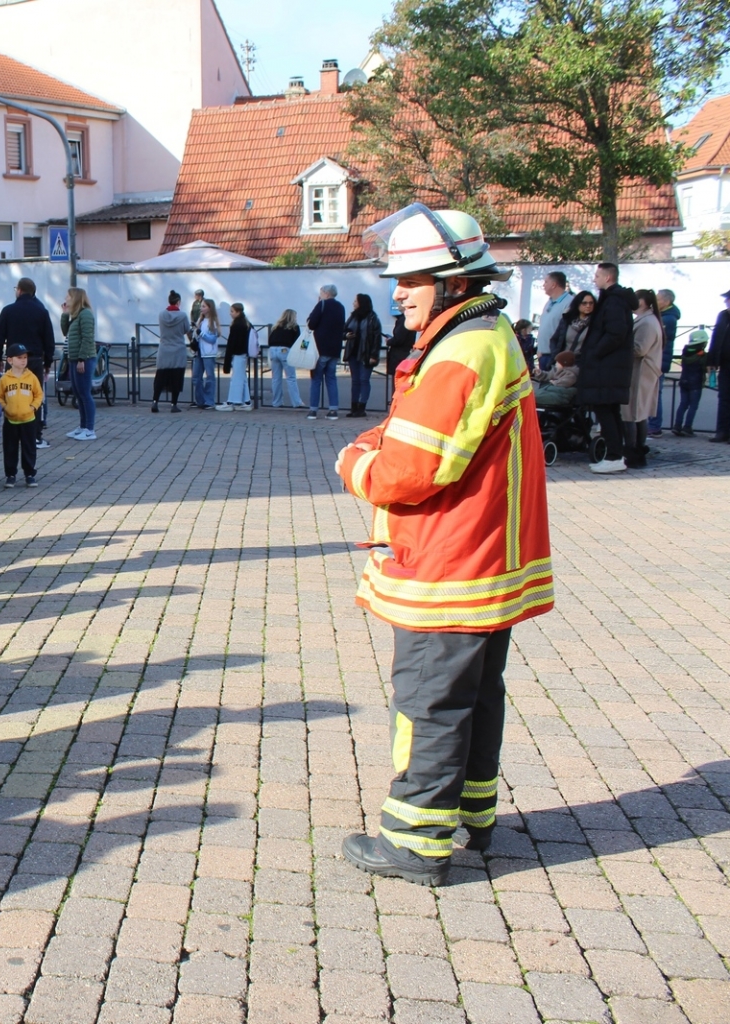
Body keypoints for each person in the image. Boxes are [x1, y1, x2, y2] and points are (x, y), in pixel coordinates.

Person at [335, 204, 551, 886]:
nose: (398, 290)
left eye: (415, 278)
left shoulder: (460, 348)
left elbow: (405, 470)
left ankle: (415, 841)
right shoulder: (483, 333)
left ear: (455, 282)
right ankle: (471, 816)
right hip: (482, 560)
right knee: (474, 695)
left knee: (427, 701)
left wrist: (352, 462)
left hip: (446, 564)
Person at [576, 263, 636, 474]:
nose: (595, 279)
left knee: (606, 411)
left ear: (608, 277)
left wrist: (595, 352)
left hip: (607, 368)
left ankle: (614, 455)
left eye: (598, 275)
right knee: (610, 411)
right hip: (609, 368)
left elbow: (615, 333)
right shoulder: (612, 300)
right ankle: (616, 454)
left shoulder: (614, 302)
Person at [0, 278, 54, 445]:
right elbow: (49, 340)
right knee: (35, 395)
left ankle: (13, 433)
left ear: (19, 290)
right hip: (34, 359)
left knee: (11, 394)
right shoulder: (42, 311)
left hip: (13, 359)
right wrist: (48, 363)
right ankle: (34, 435)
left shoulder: (8, 310)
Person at [621, 288, 662, 469]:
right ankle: (636, 449)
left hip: (640, 372)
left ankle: (633, 452)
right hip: (643, 372)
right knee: (638, 414)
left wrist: (620, 346)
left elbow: (640, 349)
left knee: (632, 414)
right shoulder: (648, 320)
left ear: (643, 302)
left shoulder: (647, 322)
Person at [0, 343, 44, 487]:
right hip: (11, 420)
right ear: (10, 360)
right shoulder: (5, 379)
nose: (23, 360)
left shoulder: (31, 377)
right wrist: (5, 407)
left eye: (25, 357)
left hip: (29, 419)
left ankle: (29, 474)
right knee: (10, 448)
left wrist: (33, 406)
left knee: (29, 447)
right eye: (19, 357)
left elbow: (39, 394)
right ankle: (10, 475)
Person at [306, 284, 346, 419]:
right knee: (331, 378)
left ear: (326, 294)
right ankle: (333, 410)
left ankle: (313, 410)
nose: (320, 295)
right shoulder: (340, 307)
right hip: (335, 348)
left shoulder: (322, 305)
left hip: (320, 348)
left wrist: (317, 306)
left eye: (321, 292)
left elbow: (311, 323)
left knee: (316, 379)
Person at [62, 287, 98, 438]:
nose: (66, 299)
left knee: (84, 393)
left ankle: (89, 429)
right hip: (73, 358)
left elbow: (87, 338)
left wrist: (82, 359)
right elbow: (66, 332)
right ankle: (83, 426)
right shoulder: (75, 316)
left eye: (68, 296)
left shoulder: (86, 314)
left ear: (75, 298)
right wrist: (64, 315)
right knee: (78, 392)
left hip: (83, 359)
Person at [343, 293, 382, 418]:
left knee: (364, 380)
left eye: (355, 301)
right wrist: (346, 335)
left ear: (362, 302)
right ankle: (354, 407)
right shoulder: (352, 317)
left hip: (366, 354)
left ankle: (361, 407)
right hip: (353, 353)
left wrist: (374, 355)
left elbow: (377, 338)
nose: (353, 303)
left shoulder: (372, 318)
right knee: (355, 381)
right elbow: (344, 330)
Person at [152, 290, 190, 412]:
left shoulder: (161, 315)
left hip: (164, 349)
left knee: (160, 377)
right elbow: (186, 329)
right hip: (178, 349)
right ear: (178, 302)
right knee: (176, 377)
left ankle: (155, 402)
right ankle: (174, 404)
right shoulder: (183, 316)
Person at [650, 289, 680, 437]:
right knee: (652, 393)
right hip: (658, 359)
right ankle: (652, 424)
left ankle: (655, 426)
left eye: (658, 299)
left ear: (666, 302)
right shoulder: (663, 316)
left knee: (655, 393)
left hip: (659, 360)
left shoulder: (667, 319)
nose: (655, 302)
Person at [673, 327, 709, 436]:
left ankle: (677, 426)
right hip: (695, 383)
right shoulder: (702, 355)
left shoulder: (685, 351)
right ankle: (687, 427)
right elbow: (704, 369)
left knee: (683, 404)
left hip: (684, 380)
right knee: (693, 406)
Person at [534, 271, 573, 365]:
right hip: (543, 354)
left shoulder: (569, 302)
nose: (543, 285)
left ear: (553, 284)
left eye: (546, 282)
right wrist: (540, 349)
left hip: (556, 355)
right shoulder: (549, 302)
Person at [267, 310, 304, 408]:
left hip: (273, 350)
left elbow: (270, 340)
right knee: (291, 378)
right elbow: (298, 342)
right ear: (293, 317)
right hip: (285, 350)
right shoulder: (294, 327)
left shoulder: (276, 327)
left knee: (276, 378)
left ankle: (277, 402)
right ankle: (296, 402)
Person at [707, 290, 730, 443]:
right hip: (726, 364)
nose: (726, 302)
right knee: (724, 398)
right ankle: (722, 431)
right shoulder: (723, 315)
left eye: (728, 299)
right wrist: (711, 361)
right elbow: (716, 337)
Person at [223, 301, 254, 411]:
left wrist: (228, 357)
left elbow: (232, 343)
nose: (230, 313)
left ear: (238, 312)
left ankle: (235, 401)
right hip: (244, 353)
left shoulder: (237, 325)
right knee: (242, 377)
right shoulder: (246, 323)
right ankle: (246, 400)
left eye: (232, 311)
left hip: (237, 353)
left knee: (236, 378)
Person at [191, 299, 221, 411]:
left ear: (209, 308)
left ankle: (209, 401)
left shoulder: (212, 322)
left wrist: (201, 333)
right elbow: (197, 335)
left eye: (203, 306)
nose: (201, 308)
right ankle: (200, 400)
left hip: (208, 353)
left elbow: (212, 339)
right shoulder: (201, 320)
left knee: (209, 377)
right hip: (199, 352)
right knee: (196, 377)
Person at [385, 310, 416, 402]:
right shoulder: (409, 319)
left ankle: (397, 403)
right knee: (402, 382)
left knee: (398, 382)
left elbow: (399, 339)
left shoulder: (403, 320)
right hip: (405, 353)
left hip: (399, 355)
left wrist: (390, 341)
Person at [557, 290, 595, 356]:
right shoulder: (567, 320)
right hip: (563, 361)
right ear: (578, 304)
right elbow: (555, 339)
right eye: (584, 303)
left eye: (591, 303)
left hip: (581, 362)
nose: (588, 306)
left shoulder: (595, 323)